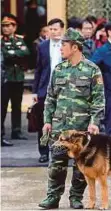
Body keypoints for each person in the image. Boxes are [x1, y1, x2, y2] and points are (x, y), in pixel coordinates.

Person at [38, 28, 105, 209]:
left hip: (82, 131)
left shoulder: (92, 70)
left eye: (64, 45)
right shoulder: (59, 69)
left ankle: (76, 197)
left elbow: (98, 100)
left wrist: (94, 123)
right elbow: (50, 98)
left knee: (80, 167)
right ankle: (53, 197)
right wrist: (47, 121)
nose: (60, 48)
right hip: (60, 129)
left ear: (75, 47)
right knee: (56, 165)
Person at [33, 18, 64, 163]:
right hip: (45, 89)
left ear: (62, 30)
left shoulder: (69, 45)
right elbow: (38, 69)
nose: (53, 32)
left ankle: (62, 150)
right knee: (44, 122)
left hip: (64, 90)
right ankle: (44, 151)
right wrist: (35, 91)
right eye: (51, 29)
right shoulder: (42, 46)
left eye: (56, 29)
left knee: (63, 121)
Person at [1, 13, 30, 143]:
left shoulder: (19, 39)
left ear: (14, 27)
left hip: (18, 77)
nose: (5, 28)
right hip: (5, 78)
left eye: (8, 26)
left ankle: (16, 130)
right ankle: (1, 131)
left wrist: (13, 54)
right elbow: (5, 55)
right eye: (3, 26)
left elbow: (26, 52)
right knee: (2, 105)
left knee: (17, 105)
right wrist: (15, 54)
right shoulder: (1, 41)